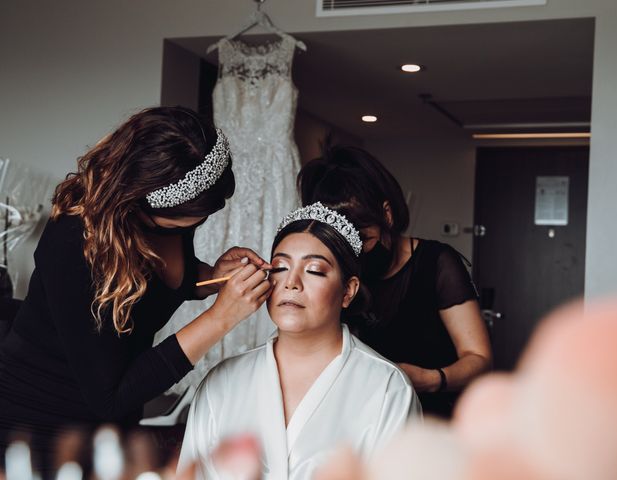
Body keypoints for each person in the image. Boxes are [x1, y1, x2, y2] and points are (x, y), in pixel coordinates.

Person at [0, 106, 272, 475]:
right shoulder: (76, 243)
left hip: (118, 426)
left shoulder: (168, 218)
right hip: (42, 424)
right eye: (193, 216)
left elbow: (149, 287)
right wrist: (221, 318)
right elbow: (108, 397)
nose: (200, 222)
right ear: (141, 202)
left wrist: (206, 277)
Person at [178, 203, 421, 480]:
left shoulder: (388, 388)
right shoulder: (221, 383)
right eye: (280, 268)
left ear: (348, 291)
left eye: (315, 270)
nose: (291, 282)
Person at [297, 145, 492, 417]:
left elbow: (479, 358)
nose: (353, 253)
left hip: (429, 420)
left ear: (386, 214)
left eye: (362, 240)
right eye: (342, 244)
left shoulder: (437, 262)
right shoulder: (338, 270)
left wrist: (431, 379)